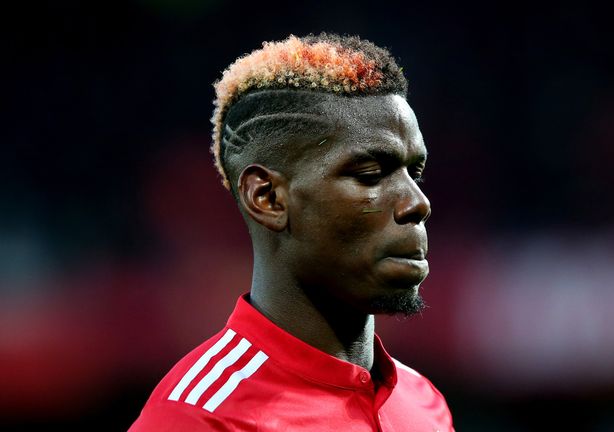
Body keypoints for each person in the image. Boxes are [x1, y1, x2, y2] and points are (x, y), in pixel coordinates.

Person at [129, 33, 454, 431]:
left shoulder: (425, 403)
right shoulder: (198, 418)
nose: (417, 203)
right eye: (370, 175)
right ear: (267, 198)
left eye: (414, 173)